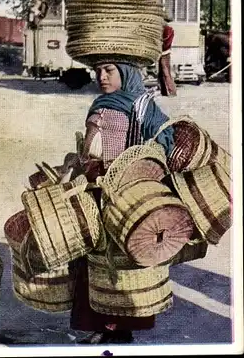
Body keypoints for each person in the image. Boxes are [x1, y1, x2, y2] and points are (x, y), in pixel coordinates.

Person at [69, 62, 174, 344]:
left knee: (120, 258)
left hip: (125, 192)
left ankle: (119, 330)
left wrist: (140, 166)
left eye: (109, 71)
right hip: (94, 188)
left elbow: (165, 137)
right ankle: (100, 325)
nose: (101, 77)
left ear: (126, 73)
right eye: (98, 71)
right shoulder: (100, 102)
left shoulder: (141, 104)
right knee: (93, 256)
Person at [22, 0, 48, 77]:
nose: (35, 0)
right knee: (30, 49)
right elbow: (28, 19)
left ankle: (39, 69)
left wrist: (36, 12)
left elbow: (43, 15)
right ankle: (31, 69)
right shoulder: (32, 7)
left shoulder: (43, 6)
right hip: (32, 29)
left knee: (39, 48)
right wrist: (25, 27)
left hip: (40, 29)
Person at [158, 12, 177, 96]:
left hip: (164, 53)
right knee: (162, 73)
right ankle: (165, 91)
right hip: (165, 52)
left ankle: (171, 91)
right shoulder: (168, 29)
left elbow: (165, 41)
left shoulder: (167, 29)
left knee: (166, 73)